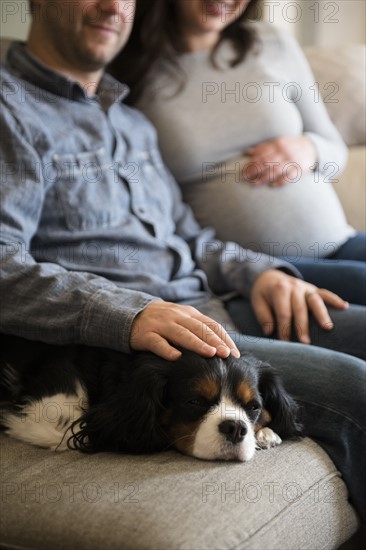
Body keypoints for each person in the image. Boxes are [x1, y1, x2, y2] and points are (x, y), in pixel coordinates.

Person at [0, 0, 365, 521]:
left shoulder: (130, 120)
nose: (112, 6)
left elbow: (189, 235)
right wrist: (130, 315)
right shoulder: (10, 111)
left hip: (215, 306)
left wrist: (258, 272)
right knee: (356, 388)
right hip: (152, 343)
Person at [110, 0, 366, 305]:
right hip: (252, 272)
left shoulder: (272, 42)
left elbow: (335, 150)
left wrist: (308, 148)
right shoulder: (129, 73)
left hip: (340, 241)